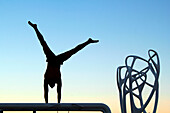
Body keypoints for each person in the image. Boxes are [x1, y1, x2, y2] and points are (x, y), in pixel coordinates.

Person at [28, 21, 99, 103]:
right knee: (73, 50)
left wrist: (47, 104)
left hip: (51, 58)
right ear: (53, 83)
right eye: (52, 85)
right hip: (58, 60)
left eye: (50, 85)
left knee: (43, 43)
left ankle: (35, 28)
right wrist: (57, 104)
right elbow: (57, 92)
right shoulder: (57, 79)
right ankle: (88, 41)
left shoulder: (46, 79)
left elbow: (47, 93)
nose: (51, 85)